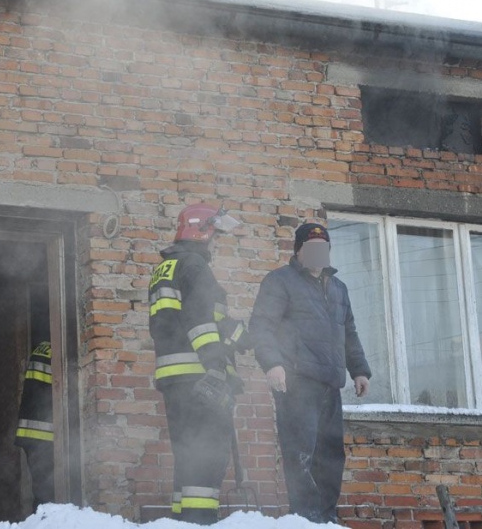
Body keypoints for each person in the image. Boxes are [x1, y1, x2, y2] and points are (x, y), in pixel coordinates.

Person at [249, 222, 371, 524]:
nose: (320, 253)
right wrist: (272, 364)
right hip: (297, 382)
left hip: (330, 384)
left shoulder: (338, 288)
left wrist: (359, 370)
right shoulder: (280, 281)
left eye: (325, 248)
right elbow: (261, 326)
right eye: (313, 248)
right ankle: (304, 519)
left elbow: (349, 332)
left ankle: (326, 518)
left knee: (330, 455)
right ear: (299, 250)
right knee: (301, 453)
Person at [148, 203, 249, 525]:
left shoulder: (169, 267)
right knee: (207, 459)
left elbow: (181, 320)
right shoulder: (195, 266)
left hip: (176, 378)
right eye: (216, 236)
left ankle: (183, 523)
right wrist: (217, 367)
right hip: (199, 376)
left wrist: (230, 330)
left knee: (188, 458)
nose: (217, 244)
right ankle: (199, 523)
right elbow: (199, 322)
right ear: (202, 231)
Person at [15, 340, 54, 507]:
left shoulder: (42, 348)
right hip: (44, 434)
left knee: (41, 490)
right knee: (47, 492)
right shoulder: (57, 350)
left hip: (30, 433)